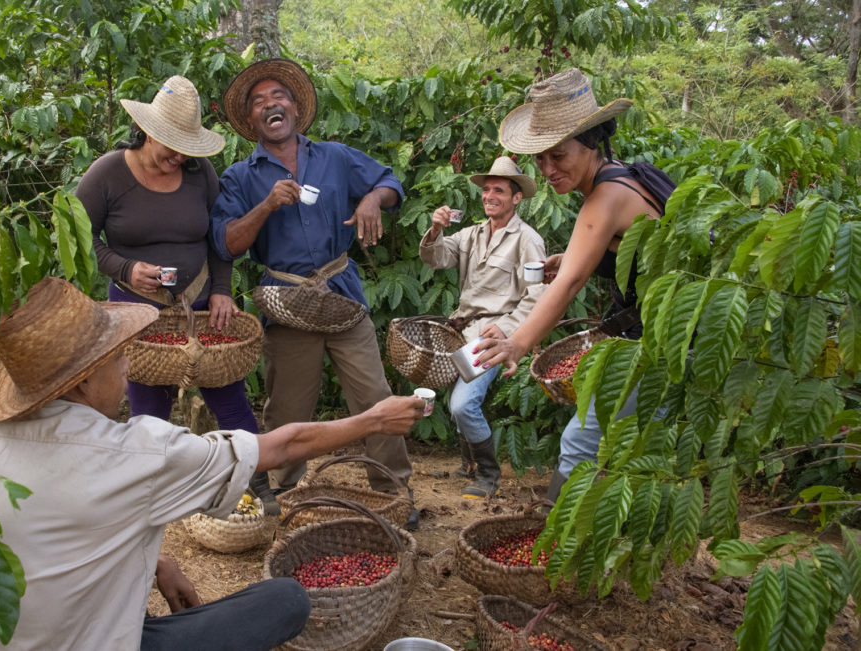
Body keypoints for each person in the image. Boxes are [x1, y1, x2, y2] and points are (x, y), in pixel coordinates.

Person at [0, 276, 424, 650]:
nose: (128, 368)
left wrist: (158, 564)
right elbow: (281, 448)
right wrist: (374, 419)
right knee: (286, 600)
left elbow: (48, 536)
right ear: (80, 383)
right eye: (119, 358)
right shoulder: (137, 453)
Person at [209, 58, 418, 528]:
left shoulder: (335, 157)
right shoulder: (241, 178)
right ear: (252, 121)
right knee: (288, 407)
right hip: (286, 303)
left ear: (295, 108)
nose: (270, 105)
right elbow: (226, 242)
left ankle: (395, 491)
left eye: (277, 96)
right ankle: (281, 496)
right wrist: (266, 205)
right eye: (259, 102)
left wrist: (370, 199)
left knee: (374, 396)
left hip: (343, 296)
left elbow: (390, 181)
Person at [75, 75, 276, 511]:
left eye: (187, 148)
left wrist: (222, 289)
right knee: (149, 410)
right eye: (171, 146)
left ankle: (258, 485)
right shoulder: (107, 174)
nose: (179, 157)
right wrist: (125, 267)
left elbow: (219, 234)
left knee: (230, 396)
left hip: (200, 304)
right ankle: (149, 499)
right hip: (136, 310)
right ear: (147, 132)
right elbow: (79, 238)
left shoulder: (199, 172)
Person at [475, 68, 673, 504]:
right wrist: (579, 257)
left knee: (582, 444)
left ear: (591, 144)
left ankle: (555, 550)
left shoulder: (606, 195)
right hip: (666, 340)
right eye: (541, 158)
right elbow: (636, 250)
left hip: (659, 345)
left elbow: (568, 285)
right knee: (634, 450)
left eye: (558, 156)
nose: (547, 169)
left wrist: (517, 343)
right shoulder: (623, 176)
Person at [419, 156, 546, 498]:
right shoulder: (472, 234)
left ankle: (489, 476)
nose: (490, 195)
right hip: (461, 331)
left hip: (492, 336)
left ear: (516, 197)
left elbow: (538, 295)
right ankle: (469, 465)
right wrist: (436, 228)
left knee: (463, 404)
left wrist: (508, 328)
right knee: (453, 400)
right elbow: (437, 256)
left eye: (499, 190)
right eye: (487, 189)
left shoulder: (527, 240)